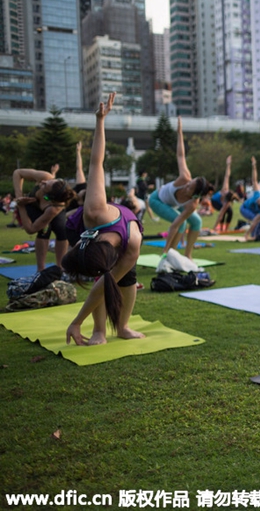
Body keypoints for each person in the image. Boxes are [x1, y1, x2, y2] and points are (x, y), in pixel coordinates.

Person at [62, 93, 144, 345]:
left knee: (126, 278)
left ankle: (122, 326)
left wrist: (75, 321)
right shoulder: (93, 209)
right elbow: (96, 162)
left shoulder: (132, 243)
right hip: (80, 229)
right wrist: (100, 121)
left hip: (114, 235)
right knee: (99, 278)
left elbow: (108, 280)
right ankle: (99, 331)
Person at [147, 117, 208, 259]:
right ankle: (169, 256)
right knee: (181, 225)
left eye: (190, 188)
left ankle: (188, 255)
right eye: (189, 183)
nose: (187, 185)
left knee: (197, 222)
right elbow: (180, 155)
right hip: (157, 200)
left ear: (195, 195)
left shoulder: (192, 204)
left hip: (172, 203)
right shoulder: (184, 177)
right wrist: (180, 133)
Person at [12, 165, 75, 271]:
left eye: (45, 186)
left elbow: (31, 230)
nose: (43, 182)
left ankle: (60, 268)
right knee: (44, 231)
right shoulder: (45, 177)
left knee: (62, 231)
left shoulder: (54, 208)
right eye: (48, 181)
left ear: (49, 197)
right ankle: (40, 269)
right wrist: (19, 199)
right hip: (32, 206)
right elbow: (17, 173)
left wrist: (21, 206)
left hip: (51, 209)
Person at [241, 157, 260, 241]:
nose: (259, 200)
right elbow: (255, 180)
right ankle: (253, 234)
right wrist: (254, 166)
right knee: (256, 218)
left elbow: (255, 222)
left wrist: (247, 234)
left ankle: (256, 235)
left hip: (254, 211)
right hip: (244, 208)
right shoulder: (258, 194)